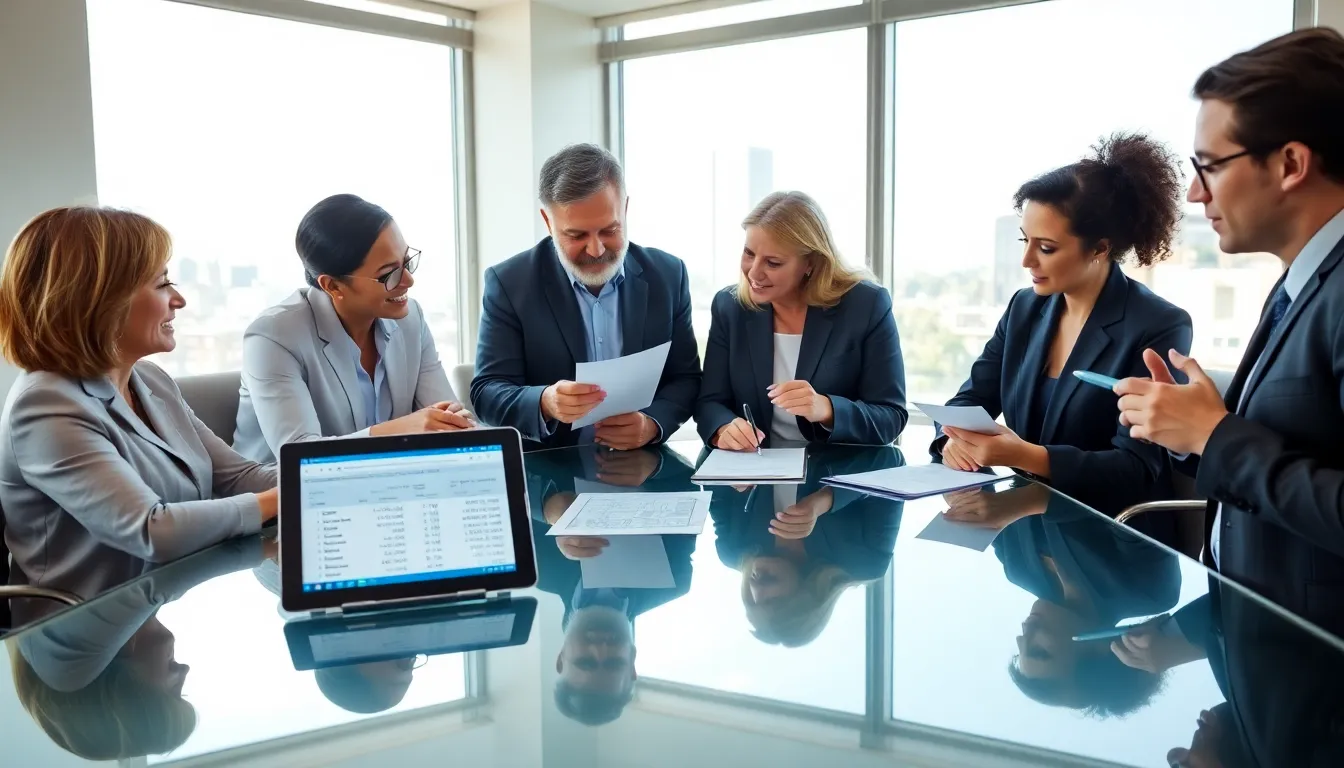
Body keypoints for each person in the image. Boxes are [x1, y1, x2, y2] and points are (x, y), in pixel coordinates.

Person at [1113, 29, 1344, 630]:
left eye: (1210, 166)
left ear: (1291, 164)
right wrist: (1189, 430)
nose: (1193, 192)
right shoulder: (1299, 280)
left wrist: (1215, 437)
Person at [0, 207, 277, 598]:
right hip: (82, 643)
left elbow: (238, 477)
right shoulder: (44, 405)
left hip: (161, 613)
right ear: (101, 299)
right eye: (162, 284)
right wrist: (279, 500)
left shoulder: (151, 382)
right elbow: (151, 529)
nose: (178, 299)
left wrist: (349, 472)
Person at [934, 133, 1192, 515]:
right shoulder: (1024, 308)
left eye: (1046, 247)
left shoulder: (1158, 324)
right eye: (1025, 240)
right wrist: (950, 442)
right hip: (1027, 533)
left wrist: (1027, 456)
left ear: (1100, 249)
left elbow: (1136, 467)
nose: (1026, 260)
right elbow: (967, 403)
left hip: (1113, 538)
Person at [471, 144, 701, 450]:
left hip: (643, 466)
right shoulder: (510, 283)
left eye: (609, 230)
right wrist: (544, 402)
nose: (596, 250)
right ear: (548, 221)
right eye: (577, 235)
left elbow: (685, 378)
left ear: (626, 210)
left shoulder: (668, 275)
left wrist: (651, 424)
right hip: (551, 468)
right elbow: (487, 392)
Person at [233, 194, 471, 462]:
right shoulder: (273, 337)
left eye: (407, 261)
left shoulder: (410, 318)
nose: (409, 280)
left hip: (386, 488)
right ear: (333, 286)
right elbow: (299, 455)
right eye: (388, 273)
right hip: (281, 495)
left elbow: (447, 421)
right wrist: (402, 430)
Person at [696, 191, 907, 450]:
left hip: (837, 478)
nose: (753, 272)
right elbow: (709, 403)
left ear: (811, 264)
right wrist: (724, 428)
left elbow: (891, 417)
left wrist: (827, 409)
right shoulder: (730, 306)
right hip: (754, 477)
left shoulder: (866, 305)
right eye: (749, 253)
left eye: (773, 263)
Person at [988, 485, 1182, 718]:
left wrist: (956, 479)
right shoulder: (1149, 590)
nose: (1023, 635)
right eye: (1039, 650)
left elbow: (979, 497)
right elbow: (1131, 483)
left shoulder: (1018, 568)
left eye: (1020, 650)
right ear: (1097, 649)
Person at [709, 445, 904, 646]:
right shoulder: (865, 561)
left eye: (752, 602)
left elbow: (707, 460)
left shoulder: (733, 549)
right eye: (773, 601)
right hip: (835, 424)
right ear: (806, 599)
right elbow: (892, 463)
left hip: (757, 422)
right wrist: (827, 498)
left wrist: (730, 462)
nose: (757, 590)